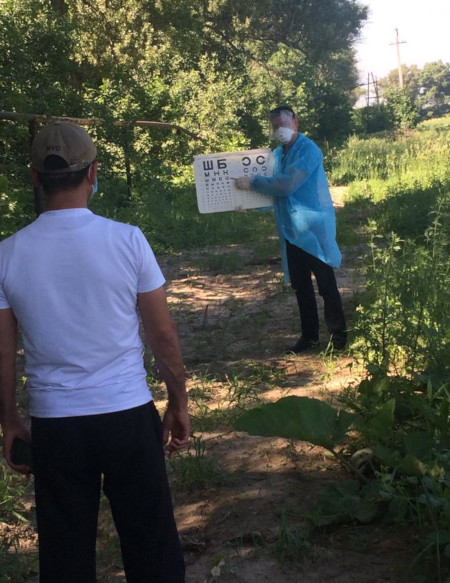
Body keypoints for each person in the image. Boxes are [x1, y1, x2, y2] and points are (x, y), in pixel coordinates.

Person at [0, 121, 190, 582]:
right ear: (93, 174)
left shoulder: (7, 254)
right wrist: (178, 402)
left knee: (65, 556)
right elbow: (162, 335)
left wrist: (9, 421)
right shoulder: (127, 240)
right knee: (152, 546)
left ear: (34, 178)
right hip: (127, 415)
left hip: (56, 426)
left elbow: (2, 351)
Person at [235, 105, 347, 353]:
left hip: (314, 228)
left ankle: (339, 338)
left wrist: (252, 183)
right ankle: (309, 337)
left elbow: (286, 185)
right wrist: (249, 205)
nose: (279, 129)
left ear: (295, 122)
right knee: (301, 287)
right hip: (292, 230)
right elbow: (274, 194)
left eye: (283, 124)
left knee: (326, 285)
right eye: (275, 126)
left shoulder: (309, 150)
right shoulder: (277, 154)